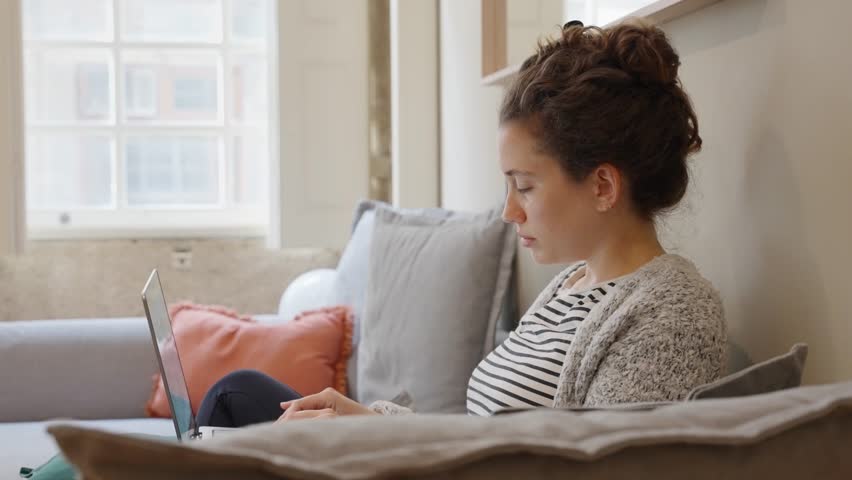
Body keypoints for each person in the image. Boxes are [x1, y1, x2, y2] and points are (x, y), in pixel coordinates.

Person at [196, 19, 727, 427]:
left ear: (603, 186)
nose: (509, 211)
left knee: (233, 403)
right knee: (238, 392)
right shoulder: (571, 286)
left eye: (525, 186)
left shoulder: (671, 313)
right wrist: (366, 425)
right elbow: (481, 438)